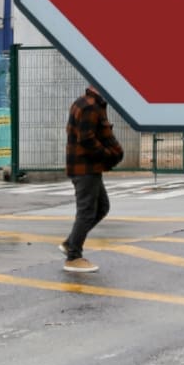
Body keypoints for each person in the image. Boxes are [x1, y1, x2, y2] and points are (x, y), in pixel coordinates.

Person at [62, 84, 124, 273]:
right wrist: (107, 154)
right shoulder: (90, 106)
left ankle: (71, 243)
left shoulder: (88, 103)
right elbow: (87, 140)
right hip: (85, 168)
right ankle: (73, 257)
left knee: (102, 207)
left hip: (89, 167)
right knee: (87, 212)